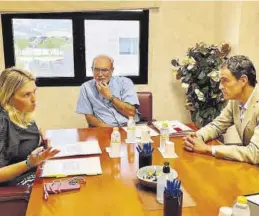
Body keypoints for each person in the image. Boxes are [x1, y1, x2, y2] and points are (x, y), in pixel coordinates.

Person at [183, 55, 259, 164]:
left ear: (243, 80)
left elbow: (255, 152)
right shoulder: (236, 100)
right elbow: (217, 126)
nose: (220, 87)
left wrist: (209, 149)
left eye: (225, 81)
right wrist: (197, 137)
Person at [0, 67, 59, 186]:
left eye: (34, 92)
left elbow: (23, 153)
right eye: (26, 95)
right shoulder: (2, 123)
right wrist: (29, 163)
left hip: (32, 172)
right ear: (9, 97)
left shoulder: (23, 114)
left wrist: (43, 145)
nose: (34, 99)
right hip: (13, 186)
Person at [76, 55, 140, 127]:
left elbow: (131, 113)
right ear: (92, 69)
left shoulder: (125, 83)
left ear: (112, 70)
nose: (100, 74)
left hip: (128, 127)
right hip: (104, 128)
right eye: (96, 69)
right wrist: (110, 129)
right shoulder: (86, 87)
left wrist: (110, 96)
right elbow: (89, 118)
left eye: (104, 70)